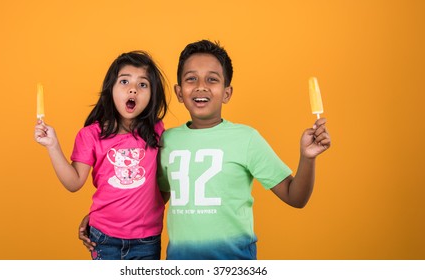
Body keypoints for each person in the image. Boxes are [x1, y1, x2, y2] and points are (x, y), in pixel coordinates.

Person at [80, 40, 331, 260]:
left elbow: (295, 197)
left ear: (227, 93)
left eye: (212, 79)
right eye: (191, 79)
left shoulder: (246, 138)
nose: (201, 86)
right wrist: (104, 220)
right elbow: (151, 197)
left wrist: (307, 158)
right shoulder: (166, 140)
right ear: (179, 92)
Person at [35, 51, 169, 260]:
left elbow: (164, 184)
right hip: (104, 238)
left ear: (152, 94)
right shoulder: (91, 135)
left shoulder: (157, 132)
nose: (133, 88)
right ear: (111, 90)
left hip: (147, 239)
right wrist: (52, 145)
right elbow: (74, 182)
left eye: (143, 84)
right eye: (124, 81)